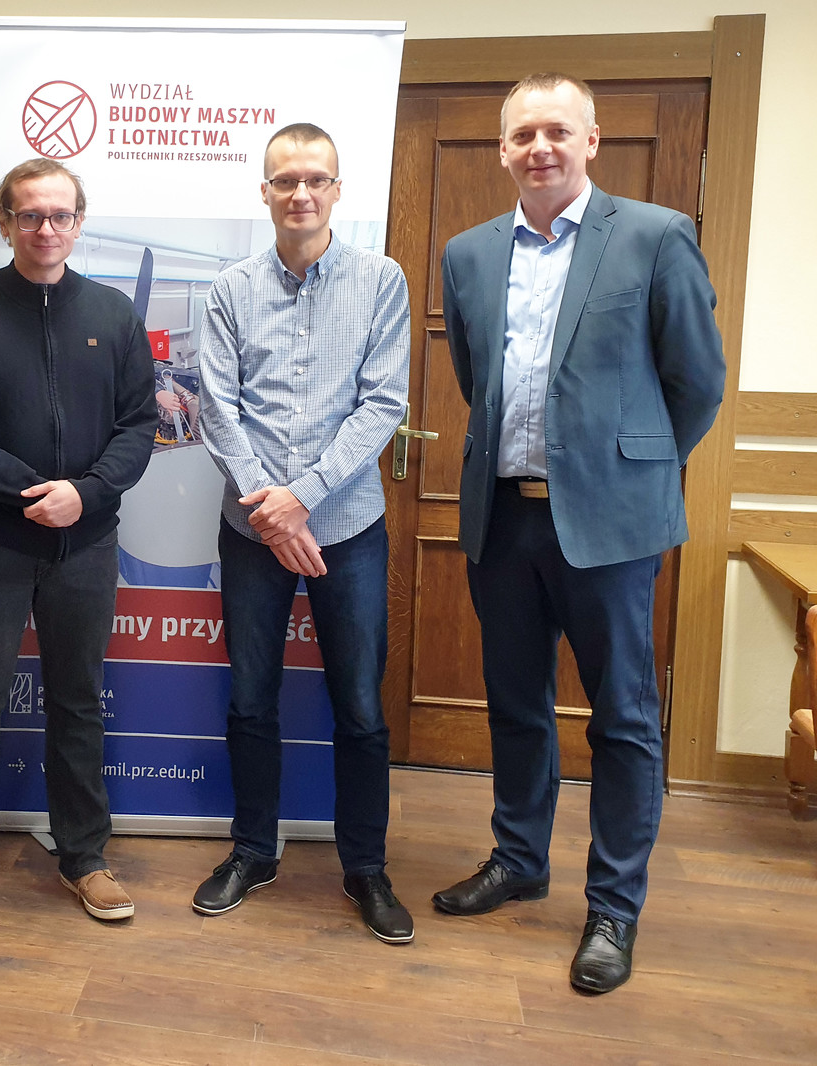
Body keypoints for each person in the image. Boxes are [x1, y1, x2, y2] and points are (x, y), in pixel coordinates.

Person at [434, 72, 725, 993]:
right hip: (504, 518)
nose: (540, 148)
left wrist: (631, 469)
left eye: (558, 131)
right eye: (523, 134)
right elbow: (476, 378)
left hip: (610, 524)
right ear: (503, 149)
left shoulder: (654, 235)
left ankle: (614, 907)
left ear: (591, 140)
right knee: (516, 705)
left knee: (624, 719)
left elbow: (697, 382)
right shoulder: (468, 253)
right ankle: (520, 860)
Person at [0, 158, 156, 935]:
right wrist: (33, 492)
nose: (45, 229)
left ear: (79, 223)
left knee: (78, 702)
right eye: (29, 215)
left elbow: (138, 426)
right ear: (6, 222)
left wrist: (84, 493)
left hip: (85, 544)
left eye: (60, 215)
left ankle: (85, 857)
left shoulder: (114, 316)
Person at [193, 124, 414, 943]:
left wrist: (304, 499)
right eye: (285, 180)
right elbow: (218, 408)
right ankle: (254, 851)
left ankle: (366, 866)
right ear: (264, 192)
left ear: (337, 190)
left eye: (316, 179)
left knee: (358, 703)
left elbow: (383, 403)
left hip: (348, 526)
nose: (301, 193)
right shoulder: (230, 289)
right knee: (251, 698)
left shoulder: (381, 281)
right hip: (252, 530)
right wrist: (270, 507)